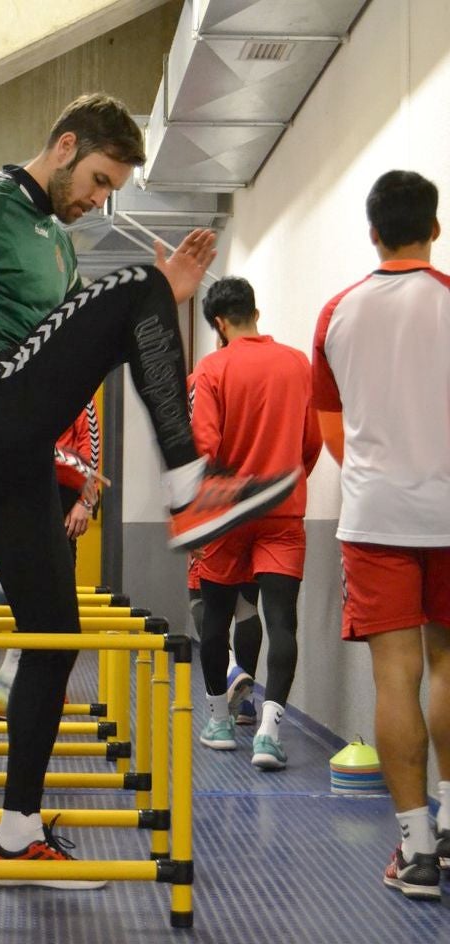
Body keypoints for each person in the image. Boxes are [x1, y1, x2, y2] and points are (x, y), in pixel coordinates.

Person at [0, 93, 298, 888]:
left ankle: (16, 839)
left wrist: (162, 304)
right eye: (96, 179)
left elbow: (64, 353)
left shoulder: (57, 246)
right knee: (133, 288)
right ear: (62, 147)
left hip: (17, 449)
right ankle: (193, 487)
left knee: (54, 635)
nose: (100, 199)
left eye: (111, 188)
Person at [311, 169, 450, 900]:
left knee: (394, 673)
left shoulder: (338, 312)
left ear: (373, 233)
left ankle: (417, 850)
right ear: (435, 228)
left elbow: (332, 432)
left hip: (376, 518)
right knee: (448, 664)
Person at [190, 277, 322, 769]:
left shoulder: (214, 367)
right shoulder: (295, 363)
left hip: (227, 512)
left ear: (219, 324)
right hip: (282, 511)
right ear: (255, 312)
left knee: (217, 619)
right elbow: (311, 442)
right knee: (281, 620)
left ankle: (219, 722)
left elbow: (202, 445)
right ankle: (268, 731)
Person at [0, 402, 103, 699]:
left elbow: (91, 453)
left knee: (54, 600)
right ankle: (16, 676)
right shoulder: (24, 379)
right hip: (25, 490)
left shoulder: (82, 396)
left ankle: (30, 679)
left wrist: (86, 504)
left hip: (64, 501)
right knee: (33, 594)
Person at [187, 554, 262, 724]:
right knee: (246, 607)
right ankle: (246, 703)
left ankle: (231, 668)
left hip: (212, 536)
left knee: (202, 604)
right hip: (248, 533)